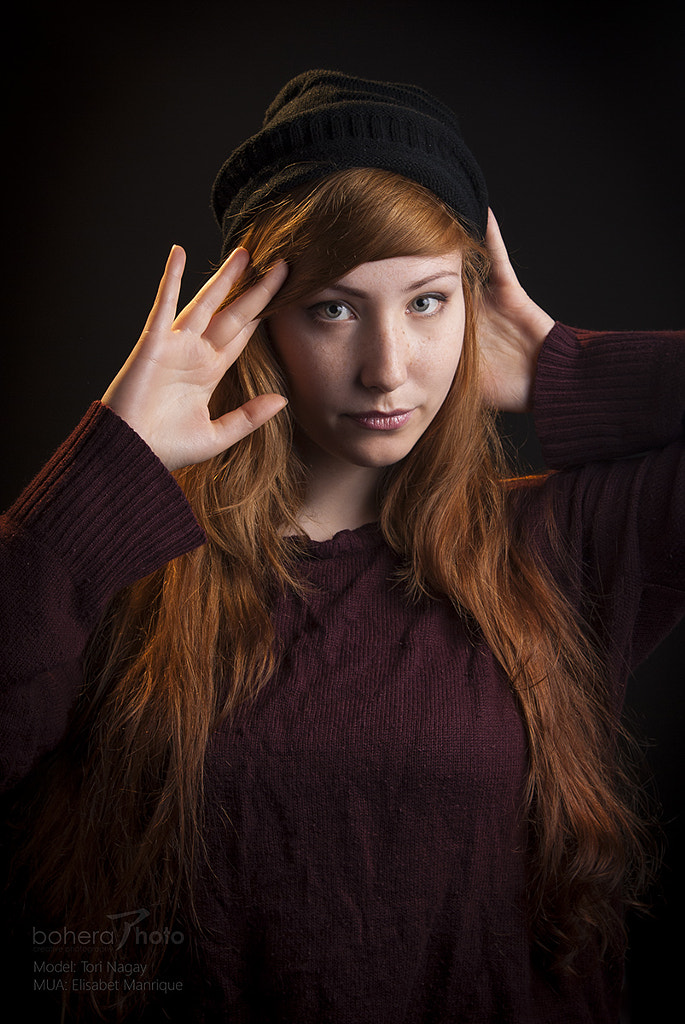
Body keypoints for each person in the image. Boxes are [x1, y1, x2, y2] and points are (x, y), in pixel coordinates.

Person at [0, 69, 682, 1023]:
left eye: (426, 302)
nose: (387, 367)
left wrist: (571, 366)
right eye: (332, 307)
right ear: (260, 321)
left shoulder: (558, 544)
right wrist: (109, 472)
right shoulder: (123, 563)